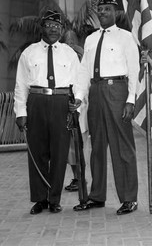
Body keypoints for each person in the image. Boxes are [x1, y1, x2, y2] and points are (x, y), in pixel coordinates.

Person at [72, 0, 140, 216]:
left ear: (115, 12)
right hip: (96, 91)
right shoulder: (91, 39)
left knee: (122, 147)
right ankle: (97, 196)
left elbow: (134, 70)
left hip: (117, 90)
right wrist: (79, 96)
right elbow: (84, 70)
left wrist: (131, 99)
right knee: (97, 148)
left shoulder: (126, 37)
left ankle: (129, 198)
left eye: (107, 9)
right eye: (100, 10)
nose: (102, 13)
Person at [14, 10, 80, 214]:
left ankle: (54, 199)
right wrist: (20, 112)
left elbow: (78, 81)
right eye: (49, 25)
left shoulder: (69, 53)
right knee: (37, 152)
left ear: (62, 30)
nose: (53, 29)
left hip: (61, 103)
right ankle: (40, 199)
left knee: (60, 153)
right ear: (42, 28)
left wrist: (77, 101)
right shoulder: (29, 52)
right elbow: (21, 85)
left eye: (57, 26)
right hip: (36, 102)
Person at [60, 30, 90, 192]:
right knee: (70, 150)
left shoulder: (82, 62)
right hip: (64, 108)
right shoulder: (60, 59)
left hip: (78, 109)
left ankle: (80, 178)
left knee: (77, 147)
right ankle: (77, 177)